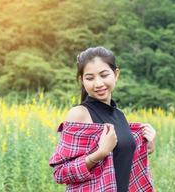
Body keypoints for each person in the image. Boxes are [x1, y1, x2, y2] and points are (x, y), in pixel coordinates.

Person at [49, 46, 156, 192]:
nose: (98, 83)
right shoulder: (79, 114)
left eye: (104, 75)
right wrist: (100, 153)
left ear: (116, 74)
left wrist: (146, 147)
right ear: (82, 80)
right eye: (90, 78)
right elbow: (60, 173)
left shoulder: (119, 115)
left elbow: (122, 162)